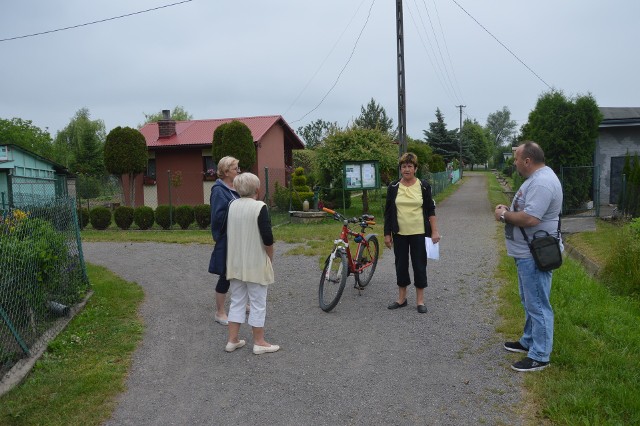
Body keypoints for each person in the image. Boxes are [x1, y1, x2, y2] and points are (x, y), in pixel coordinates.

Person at [494, 141, 563, 372]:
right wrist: (508, 210)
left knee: (538, 305)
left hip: (534, 254)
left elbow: (531, 218)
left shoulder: (542, 182)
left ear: (527, 160)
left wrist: (504, 215)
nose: (514, 163)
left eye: (516, 159)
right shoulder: (537, 179)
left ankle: (541, 355)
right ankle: (529, 340)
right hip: (527, 252)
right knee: (529, 300)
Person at [224, 172, 279, 355]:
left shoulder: (231, 205)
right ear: (257, 189)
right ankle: (259, 342)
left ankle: (232, 340)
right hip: (255, 262)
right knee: (257, 302)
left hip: (235, 262)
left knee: (237, 300)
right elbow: (268, 238)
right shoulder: (259, 207)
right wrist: (269, 257)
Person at [384, 152, 440, 314]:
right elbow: (388, 212)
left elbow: (430, 210)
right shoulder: (394, 187)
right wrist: (387, 234)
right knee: (401, 265)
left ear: (415, 168)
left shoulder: (423, 186)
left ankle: (420, 301)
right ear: (400, 169)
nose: (406, 169)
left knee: (419, 265)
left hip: (419, 233)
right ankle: (401, 298)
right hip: (399, 233)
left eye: (410, 166)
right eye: (403, 166)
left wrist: (435, 231)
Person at [208, 156, 241, 325]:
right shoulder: (218, 190)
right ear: (226, 172)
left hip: (239, 237)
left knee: (242, 271)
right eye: (236, 169)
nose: (239, 171)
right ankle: (220, 312)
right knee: (226, 274)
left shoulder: (236, 187)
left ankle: (243, 304)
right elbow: (218, 217)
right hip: (227, 238)